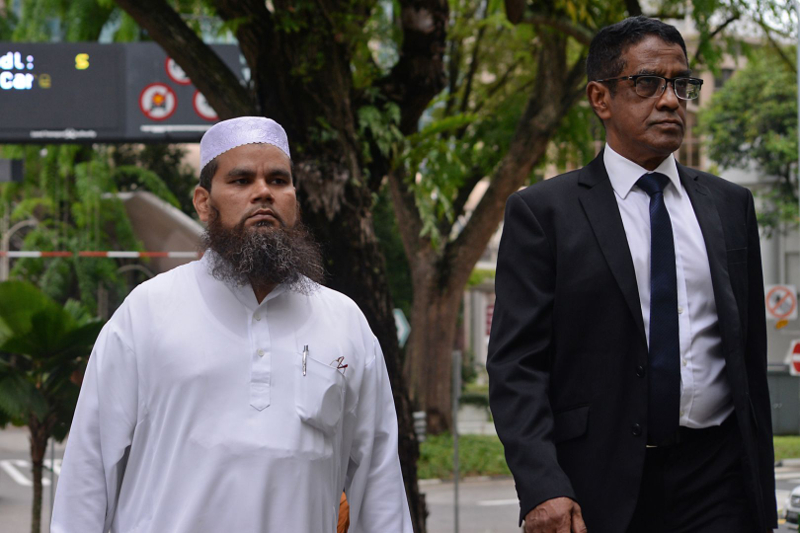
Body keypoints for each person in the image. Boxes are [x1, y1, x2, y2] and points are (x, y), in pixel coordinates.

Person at [51, 116, 413, 533]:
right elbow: (89, 469)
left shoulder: (343, 321)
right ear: (204, 202)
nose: (263, 192)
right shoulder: (146, 313)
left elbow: (380, 483)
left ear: (294, 199)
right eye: (241, 180)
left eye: (278, 180)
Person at [487, 16, 776, 533]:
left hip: (719, 479)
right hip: (598, 483)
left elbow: (749, 357)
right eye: (647, 83)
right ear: (600, 98)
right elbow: (516, 366)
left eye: (681, 84)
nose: (669, 101)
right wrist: (542, 484)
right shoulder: (544, 213)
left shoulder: (731, 205)